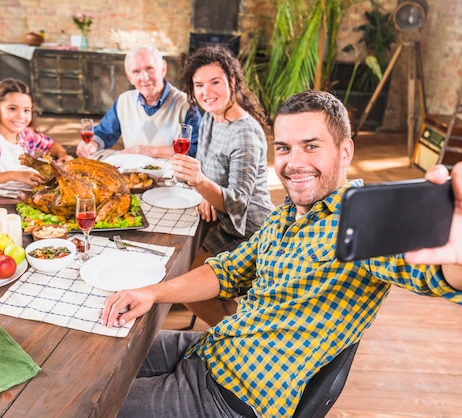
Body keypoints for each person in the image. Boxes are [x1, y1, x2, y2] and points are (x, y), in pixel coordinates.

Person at [100, 90, 462, 418]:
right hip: (213, 348)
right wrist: (152, 293)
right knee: (106, 349)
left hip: (230, 397)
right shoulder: (287, 212)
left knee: (89, 403)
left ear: (345, 150)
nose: (294, 162)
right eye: (285, 148)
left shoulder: (369, 226)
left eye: (312, 146)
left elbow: (444, 276)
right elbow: (227, 271)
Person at [173, 45, 275, 326]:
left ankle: (238, 342)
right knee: (185, 264)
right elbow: (207, 168)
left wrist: (200, 183)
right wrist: (204, 190)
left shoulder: (245, 133)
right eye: (199, 85)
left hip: (251, 231)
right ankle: (237, 325)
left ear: (232, 81)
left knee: (189, 288)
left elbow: (240, 202)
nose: (207, 92)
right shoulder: (209, 117)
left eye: (215, 82)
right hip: (225, 224)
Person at [76, 44, 201, 159]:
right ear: (129, 77)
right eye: (136, 72)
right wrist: (92, 144)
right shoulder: (123, 101)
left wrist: (149, 151)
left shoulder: (186, 104)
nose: (144, 78)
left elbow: (197, 149)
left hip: (170, 179)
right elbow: (104, 133)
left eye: (150, 68)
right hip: (133, 177)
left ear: (163, 69)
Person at [0, 78, 72, 188]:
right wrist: (13, 175)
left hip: (23, 197)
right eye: (12, 109)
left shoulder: (27, 134)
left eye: (26, 110)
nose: (21, 116)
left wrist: (62, 154)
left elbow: (51, 144)